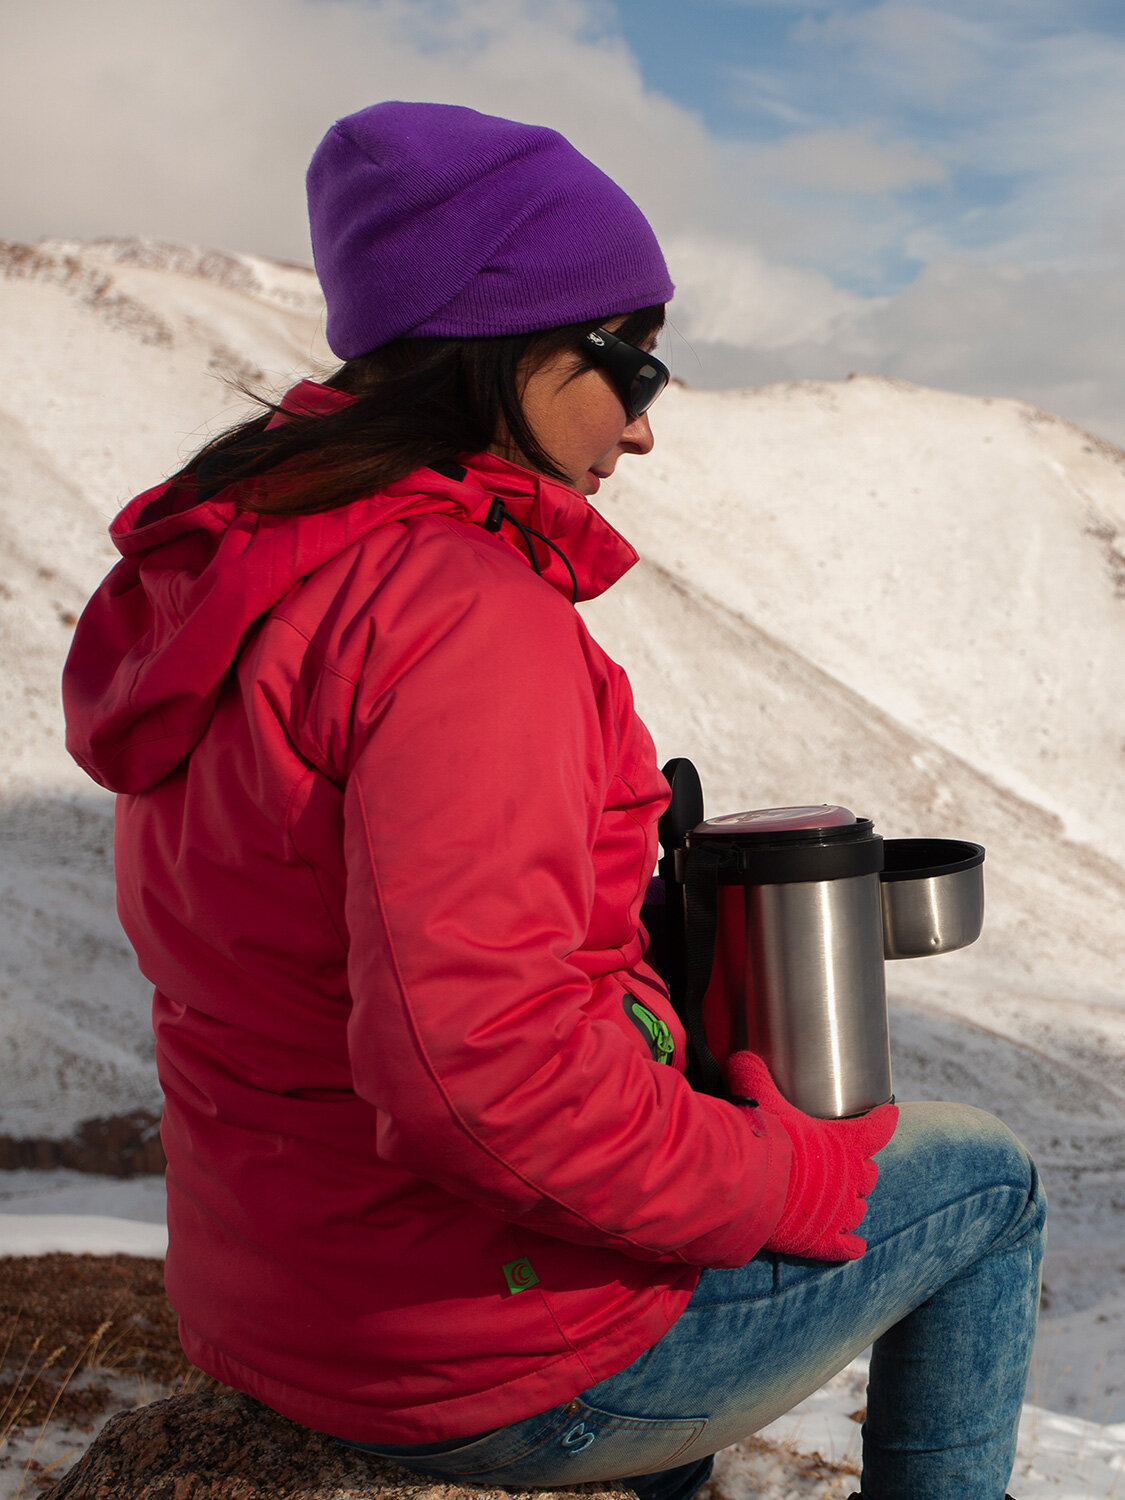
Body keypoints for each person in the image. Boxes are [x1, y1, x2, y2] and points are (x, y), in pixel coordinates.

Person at [62, 101, 1045, 1500]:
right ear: (508, 349)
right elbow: (485, 1076)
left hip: (289, 1307)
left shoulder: (247, 573)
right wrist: (782, 1180)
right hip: (477, 1353)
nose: (644, 429)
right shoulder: (457, 613)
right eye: (631, 366)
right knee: (987, 1184)